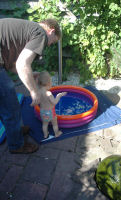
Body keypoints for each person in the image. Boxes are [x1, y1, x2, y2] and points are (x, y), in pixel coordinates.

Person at [0, 18, 61, 154]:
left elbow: (12, 65)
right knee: (10, 103)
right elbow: (22, 65)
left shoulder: (28, 30)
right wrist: (34, 91)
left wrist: (30, 73)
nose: (49, 45)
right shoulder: (41, 34)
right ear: (50, 31)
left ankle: (13, 130)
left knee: (5, 100)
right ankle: (16, 145)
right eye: (53, 41)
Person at [37, 71, 66, 139]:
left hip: (43, 112)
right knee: (54, 124)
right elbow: (54, 102)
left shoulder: (38, 92)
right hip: (50, 112)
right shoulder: (49, 93)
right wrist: (58, 96)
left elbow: (38, 102)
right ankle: (56, 133)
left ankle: (45, 134)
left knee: (44, 124)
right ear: (48, 83)